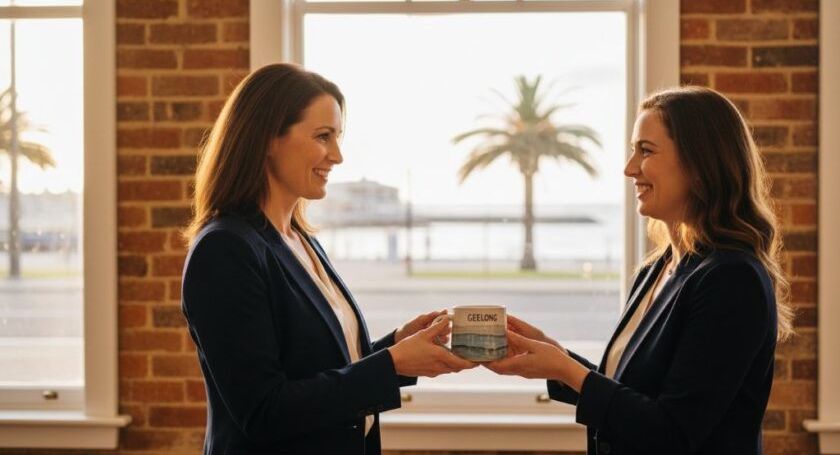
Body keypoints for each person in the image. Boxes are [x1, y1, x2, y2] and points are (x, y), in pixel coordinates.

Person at [181, 63, 476, 455]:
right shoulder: (225, 250)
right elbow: (264, 410)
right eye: (323, 137)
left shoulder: (299, 240)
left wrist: (397, 348)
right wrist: (390, 364)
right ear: (267, 138)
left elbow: (323, 367)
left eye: (337, 137)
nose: (337, 155)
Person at [485, 86, 795, 455]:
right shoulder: (661, 266)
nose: (629, 168)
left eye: (645, 151)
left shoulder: (732, 279)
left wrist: (569, 371)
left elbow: (673, 434)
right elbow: (630, 390)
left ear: (700, 164)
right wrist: (553, 359)